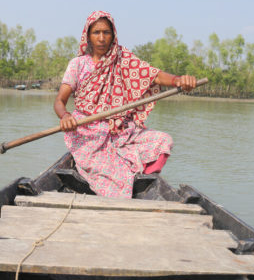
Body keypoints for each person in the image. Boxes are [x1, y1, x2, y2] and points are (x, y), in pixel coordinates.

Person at [53, 10, 197, 198]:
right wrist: (65, 116)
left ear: (113, 35)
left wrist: (178, 80)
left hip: (120, 130)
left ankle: (141, 181)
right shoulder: (78, 64)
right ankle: (122, 181)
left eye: (106, 32)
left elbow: (153, 75)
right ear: (88, 36)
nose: (102, 38)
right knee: (115, 178)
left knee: (163, 141)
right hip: (88, 132)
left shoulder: (122, 59)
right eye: (96, 32)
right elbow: (59, 101)